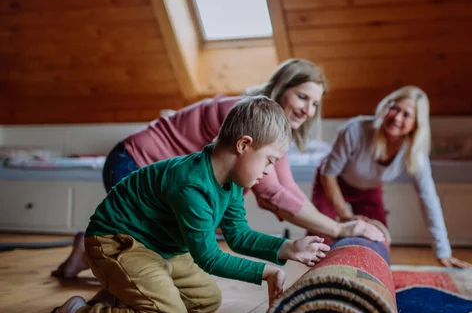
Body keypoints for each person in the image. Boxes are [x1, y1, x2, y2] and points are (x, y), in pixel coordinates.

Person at [52, 58, 384, 278]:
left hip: (172, 178)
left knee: (170, 248)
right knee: (150, 246)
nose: (309, 110)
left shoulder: (270, 127)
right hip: (133, 161)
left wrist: (340, 224)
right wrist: (340, 230)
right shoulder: (246, 116)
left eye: (316, 103)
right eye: (302, 97)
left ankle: (91, 254)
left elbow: (287, 189)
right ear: (282, 88)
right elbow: (272, 195)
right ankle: (102, 259)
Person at [43, 96, 331, 313]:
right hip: (117, 242)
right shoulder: (191, 184)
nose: (269, 171)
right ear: (243, 145)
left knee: (206, 300)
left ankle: (120, 295)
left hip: (162, 249)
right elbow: (209, 258)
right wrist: (266, 272)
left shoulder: (230, 183)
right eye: (269, 160)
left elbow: (238, 235)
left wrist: (288, 248)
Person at [311, 86, 472, 268]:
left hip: (369, 189)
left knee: (378, 238)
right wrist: (346, 216)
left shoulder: (414, 153)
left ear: (416, 124)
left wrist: (443, 251)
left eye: (407, 115)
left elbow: (428, 199)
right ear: (385, 108)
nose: (397, 117)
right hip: (332, 182)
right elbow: (329, 173)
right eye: (394, 108)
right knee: (320, 236)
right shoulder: (355, 129)